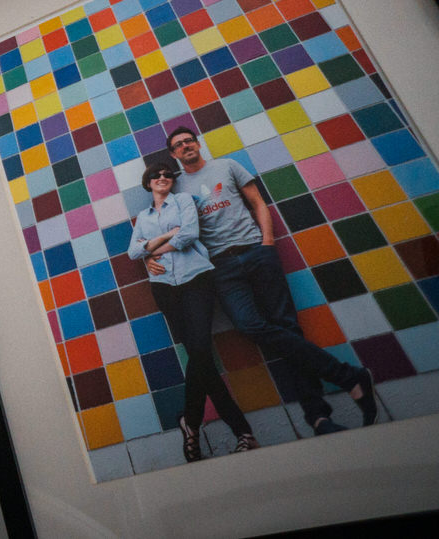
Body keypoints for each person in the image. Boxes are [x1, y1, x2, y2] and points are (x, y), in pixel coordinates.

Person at [148, 126, 377, 435]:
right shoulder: (176, 189)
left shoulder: (228, 166)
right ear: (174, 154)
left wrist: (267, 242)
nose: (186, 146)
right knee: (250, 325)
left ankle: (318, 417)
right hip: (220, 267)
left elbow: (257, 202)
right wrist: (150, 255)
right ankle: (349, 376)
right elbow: (167, 227)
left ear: (197, 144)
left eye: (189, 140)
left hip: (257, 251)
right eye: (179, 145)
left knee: (286, 326)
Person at [129, 160, 257, 460]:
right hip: (164, 287)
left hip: (196, 279)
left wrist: (152, 249)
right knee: (203, 360)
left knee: (199, 350)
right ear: (148, 182)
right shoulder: (143, 217)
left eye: (167, 174)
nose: (163, 177)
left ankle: (191, 420)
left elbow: (189, 235)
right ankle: (242, 432)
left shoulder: (184, 200)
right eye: (156, 175)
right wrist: (161, 240)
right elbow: (133, 251)